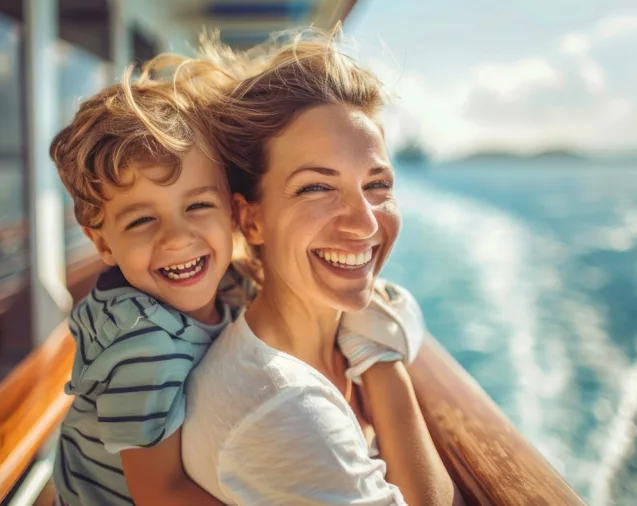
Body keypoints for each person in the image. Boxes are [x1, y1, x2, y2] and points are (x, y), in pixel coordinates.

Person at [48, 58, 417, 505]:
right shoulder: (143, 346)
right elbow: (157, 492)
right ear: (102, 244)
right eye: (143, 219)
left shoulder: (227, 287)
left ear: (231, 212)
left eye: (198, 206)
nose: (178, 238)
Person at [178, 30, 464, 505]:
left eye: (377, 184)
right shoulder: (278, 405)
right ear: (251, 218)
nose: (365, 222)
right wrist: (382, 363)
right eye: (316, 188)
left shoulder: (331, 342)